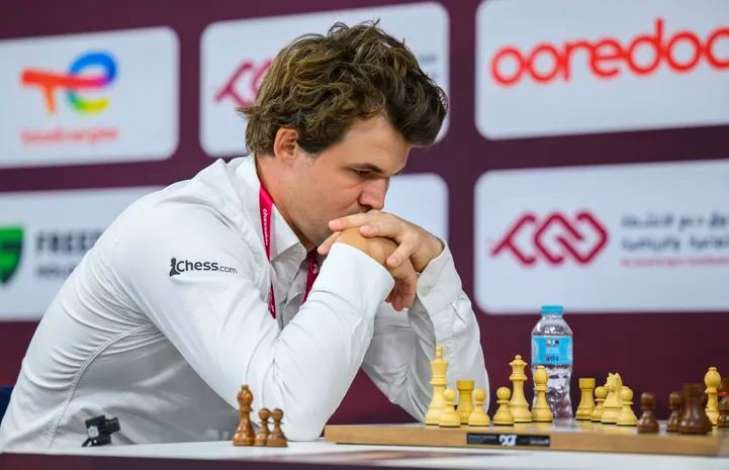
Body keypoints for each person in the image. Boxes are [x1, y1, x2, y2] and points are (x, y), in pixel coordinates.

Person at [0, 21, 488, 450]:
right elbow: (287, 414)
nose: (377, 199)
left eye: (388, 177)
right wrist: (358, 260)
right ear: (289, 144)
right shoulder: (183, 228)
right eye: (362, 172)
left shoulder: (337, 236)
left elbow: (459, 414)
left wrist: (434, 269)